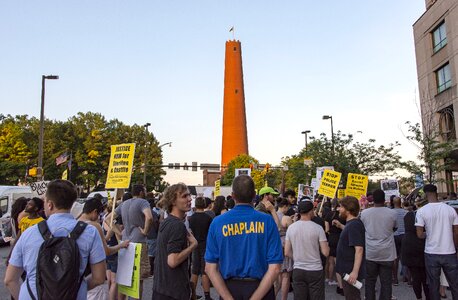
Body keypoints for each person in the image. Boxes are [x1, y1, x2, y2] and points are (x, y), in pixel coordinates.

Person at [4, 180, 106, 300]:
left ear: (50, 204)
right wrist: (77, 287)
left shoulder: (29, 233)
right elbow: (99, 278)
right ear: (71, 203)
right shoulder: (90, 232)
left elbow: (10, 280)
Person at [205, 175, 283, 300]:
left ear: (233, 195)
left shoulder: (217, 222)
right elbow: (275, 268)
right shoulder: (267, 221)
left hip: (229, 289)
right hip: (262, 289)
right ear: (254, 195)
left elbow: (210, 268)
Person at [153, 183, 198, 299]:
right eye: (184, 196)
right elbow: (172, 261)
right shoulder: (177, 225)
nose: (189, 199)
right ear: (173, 201)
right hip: (173, 292)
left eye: (189, 196)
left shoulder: (167, 222)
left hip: (161, 290)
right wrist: (193, 245)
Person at [415, 184, 458, 300]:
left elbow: (419, 234)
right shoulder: (451, 210)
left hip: (431, 252)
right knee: (455, 284)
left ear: (425, 194)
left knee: (433, 285)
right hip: (449, 251)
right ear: (437, 193)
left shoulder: (421, 211)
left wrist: (428, 234)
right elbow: (456, 232)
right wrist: (455, 248)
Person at [113, 184, 153, 298]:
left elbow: (108, 219)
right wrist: (145, 231)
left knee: (124, 277)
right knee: (139, 277)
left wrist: (119, 233)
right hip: (139, 241)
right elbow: (149, 217)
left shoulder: (124, 204)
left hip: (125, 242)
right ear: (141, 192)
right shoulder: (143, 202)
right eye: (144, 190)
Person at [285, 200, 329, 299]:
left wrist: (297, 257)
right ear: (310, 211)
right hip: (315, 269)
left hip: (298, 269)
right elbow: (325, 252)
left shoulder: (291, 228)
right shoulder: (318, 228)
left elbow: (287, 252)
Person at [360, 189, 397, 300]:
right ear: (384, 199)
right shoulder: (392, 213)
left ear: (372, 200)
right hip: (387, 253)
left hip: (371, 252)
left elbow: (362, 229)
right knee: (386, 282)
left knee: (370, 281)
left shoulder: (365, 213)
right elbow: (395, 228)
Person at [335, 196, 366, 300]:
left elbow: (359, 249)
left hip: (350, 271)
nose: (339, 209)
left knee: (353, 297)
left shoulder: (354, 225)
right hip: (347, 270)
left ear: (348, 210)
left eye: (341, 207)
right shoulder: (351, 224)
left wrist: (355, 271)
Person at [402, 197, 430, 300]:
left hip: (408, 245)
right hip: (421, 245)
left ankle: (418, 297)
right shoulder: (424, 215)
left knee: (415, 276)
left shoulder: (408, 215)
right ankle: (428, 296)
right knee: (425, 276)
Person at [189, 196, 214, 300]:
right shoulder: (208, 218)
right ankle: (207, 295)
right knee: (204, 271)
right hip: (205, 245)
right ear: (204, 205)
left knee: (194, 271)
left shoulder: (191, 218)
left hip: (195, 245)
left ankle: (192, 295)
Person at [325, 198, 346, 295]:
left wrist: (331, 233)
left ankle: (330, 279)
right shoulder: (344, 215)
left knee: (331, 261)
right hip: (341, 239)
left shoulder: (328, 214)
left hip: (331, 239)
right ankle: (341, 285)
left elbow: (327, 229)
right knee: (339, 263)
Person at [276, 198, 294, 300]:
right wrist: (293, 221)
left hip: (275, 247)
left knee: (277, 277)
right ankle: (283, 298)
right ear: (285, 206)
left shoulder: (271, 216)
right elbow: (292, 232)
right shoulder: (286, 218)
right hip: (284, 245)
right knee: (286, 276)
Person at [392, 196, 407, 286]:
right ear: (400, 202)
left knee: (395, 258)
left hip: (394, 236)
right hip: (404, 235)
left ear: (393, 203)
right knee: (404, 257)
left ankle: (395, 279)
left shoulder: (390, 212)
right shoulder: (405, 212)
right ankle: (407, 278)